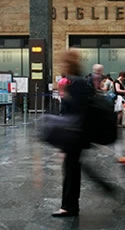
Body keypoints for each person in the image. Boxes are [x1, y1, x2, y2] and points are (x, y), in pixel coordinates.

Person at [51, 49, 93, 218]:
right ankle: (71, 205)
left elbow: (70, 111)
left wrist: (64, 141)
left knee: (70, 170)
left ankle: (68, 207)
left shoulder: (71, 83)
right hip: (80, 133)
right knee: (73, 169)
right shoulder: (83, 82)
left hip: (73, 134)